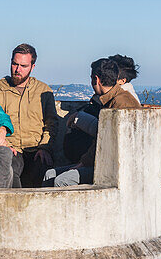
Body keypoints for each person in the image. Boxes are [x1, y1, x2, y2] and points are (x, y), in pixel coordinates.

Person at [45, 57, 139, 187]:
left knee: (61, 181)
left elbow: (106, 141)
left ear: (96, 79)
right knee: (49, 174)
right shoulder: (112, 99)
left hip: (112, 168)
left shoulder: (119, 103)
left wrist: (82, 164)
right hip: (100, 162)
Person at [0, 43, 59, 187]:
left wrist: (44, 148)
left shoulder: (43, 91)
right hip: (10, 147)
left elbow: (51, 123)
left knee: (45, 174)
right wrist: (4, 145)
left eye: (23, 66)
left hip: (36, 148)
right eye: (15, 64)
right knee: (9, 172)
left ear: (32, 67)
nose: (17, 69)